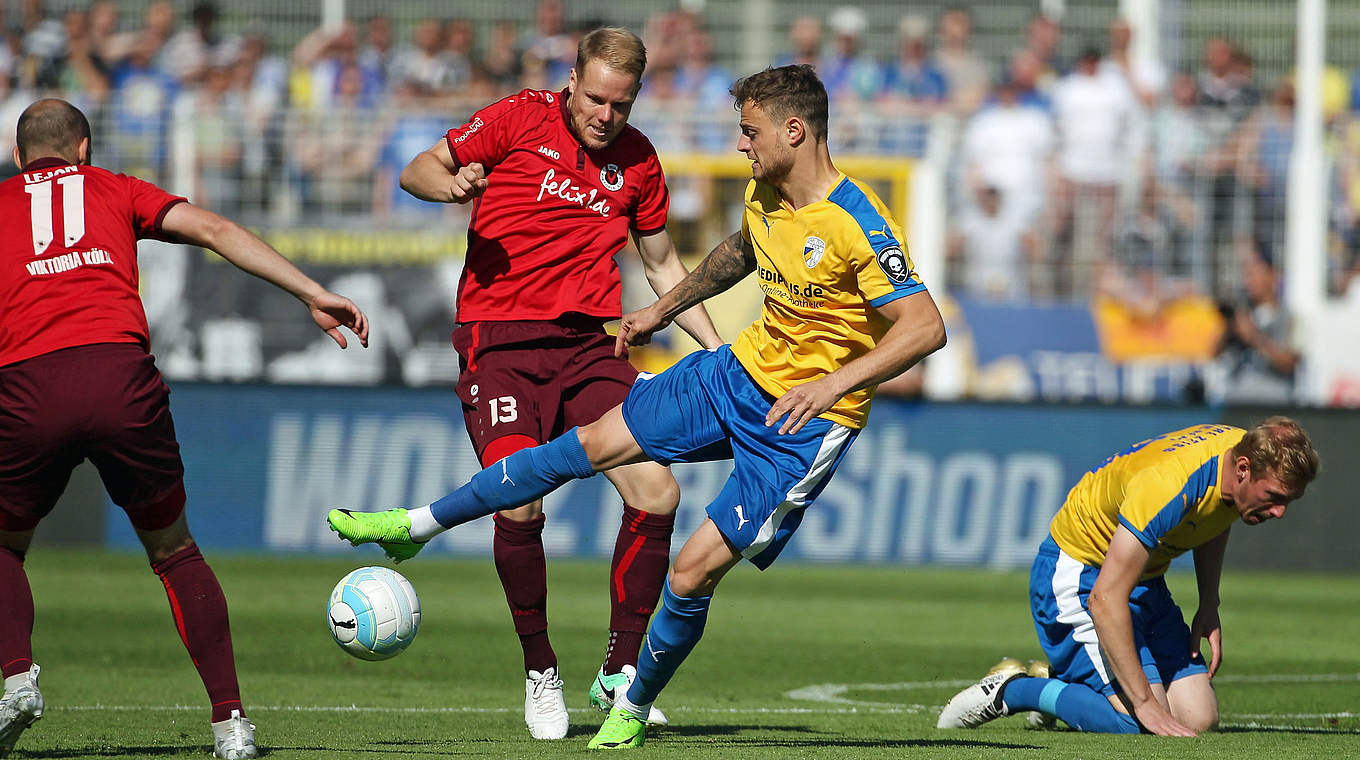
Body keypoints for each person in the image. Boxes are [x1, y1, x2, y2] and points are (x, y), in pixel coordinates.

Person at [329, 63, 948, 749]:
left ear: (794, 131)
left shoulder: (859, 223)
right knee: (589, 445)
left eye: (750, 132)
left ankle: (632, 698)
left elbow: (926, 327)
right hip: (735, 375)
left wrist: (834, 384)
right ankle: (417, 525)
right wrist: (661, 307)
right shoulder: (767, 193)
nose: (742, 145)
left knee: (692, 571)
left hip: (801, 425)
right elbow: (741, 251)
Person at [362, 27, 722, 740]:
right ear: (571, 80)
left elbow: (661, 266)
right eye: (595, 98)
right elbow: (418, 169)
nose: (605, 116)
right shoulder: (518, 116)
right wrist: (452, 183)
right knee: (519, 500)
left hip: (590, 348)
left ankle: (618, 674)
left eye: (620, 104)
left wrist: (716, 351)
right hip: (500, 344)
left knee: (659, 490)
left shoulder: (640, 161)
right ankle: (540, 669)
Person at [0, 99, 369, 758]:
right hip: (120, 376)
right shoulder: (115, 188)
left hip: (29, 386)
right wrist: (311, 290)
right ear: (84, 149)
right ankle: (230, 726)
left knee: (2, 546)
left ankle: (15, 679)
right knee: (174, 553)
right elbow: (216, 229)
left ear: (18, 152)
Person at [938, 417, 1318, 736]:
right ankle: (1017, 689)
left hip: (1140, 581)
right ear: (1244, 470)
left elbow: (1215, 518)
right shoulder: (1168, 487)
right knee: (1137, 722)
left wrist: (1208, 602)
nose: (1280, 512)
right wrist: (1142, 705)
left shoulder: (1239, 459)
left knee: (1198, 720)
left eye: (1289, 501)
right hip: (1079, 575)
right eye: (1274, 496)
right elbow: (1103, 599)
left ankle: (1074, 680)